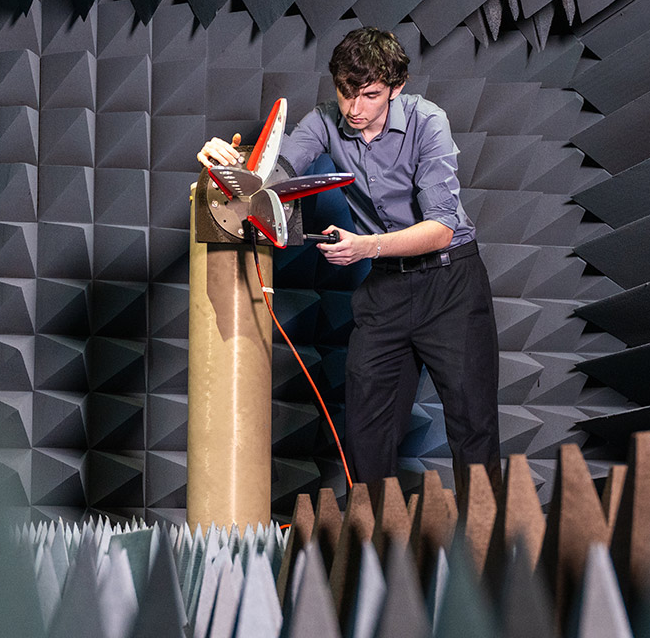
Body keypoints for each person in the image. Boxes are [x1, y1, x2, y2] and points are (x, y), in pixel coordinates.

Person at [197, 27, 501, 491]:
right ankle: (375, 551)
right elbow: (270, 182)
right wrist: (224, 165)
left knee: (473, 428)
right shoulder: (322, 121)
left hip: (451, 284)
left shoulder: (428, 122)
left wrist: (367, 245)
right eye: (345, 93)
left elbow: (441, 229)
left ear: (396, 88)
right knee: (366, 433)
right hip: (387, 291)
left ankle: (486, 555)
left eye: (370, 95)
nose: (354, 109)